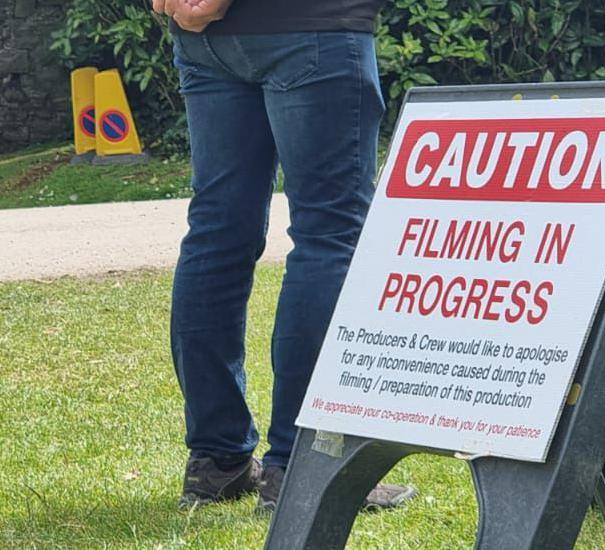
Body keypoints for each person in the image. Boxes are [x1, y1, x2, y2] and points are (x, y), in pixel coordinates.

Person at [152, 0, 416, 513]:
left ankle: (216, 461)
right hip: (308, 24)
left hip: (204, 35)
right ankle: (300, 465)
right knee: (329, 234)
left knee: (218, 233)